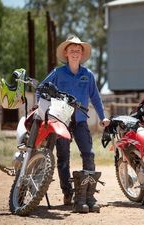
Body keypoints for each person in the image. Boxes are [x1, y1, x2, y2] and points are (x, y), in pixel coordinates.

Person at [37, 35, 110, 213]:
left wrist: (103, 116)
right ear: (66, 53)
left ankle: (86, 195)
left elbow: (96, 98)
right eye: (72, 50)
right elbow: (41, 88)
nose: (75, 53)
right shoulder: (58, 73)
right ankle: (67, 192)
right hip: (61, 121)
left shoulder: (88, 75)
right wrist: (40, 109)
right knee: (63, 159)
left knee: (89, 154)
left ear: (82, 53)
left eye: (78, 50)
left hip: (80, 121)